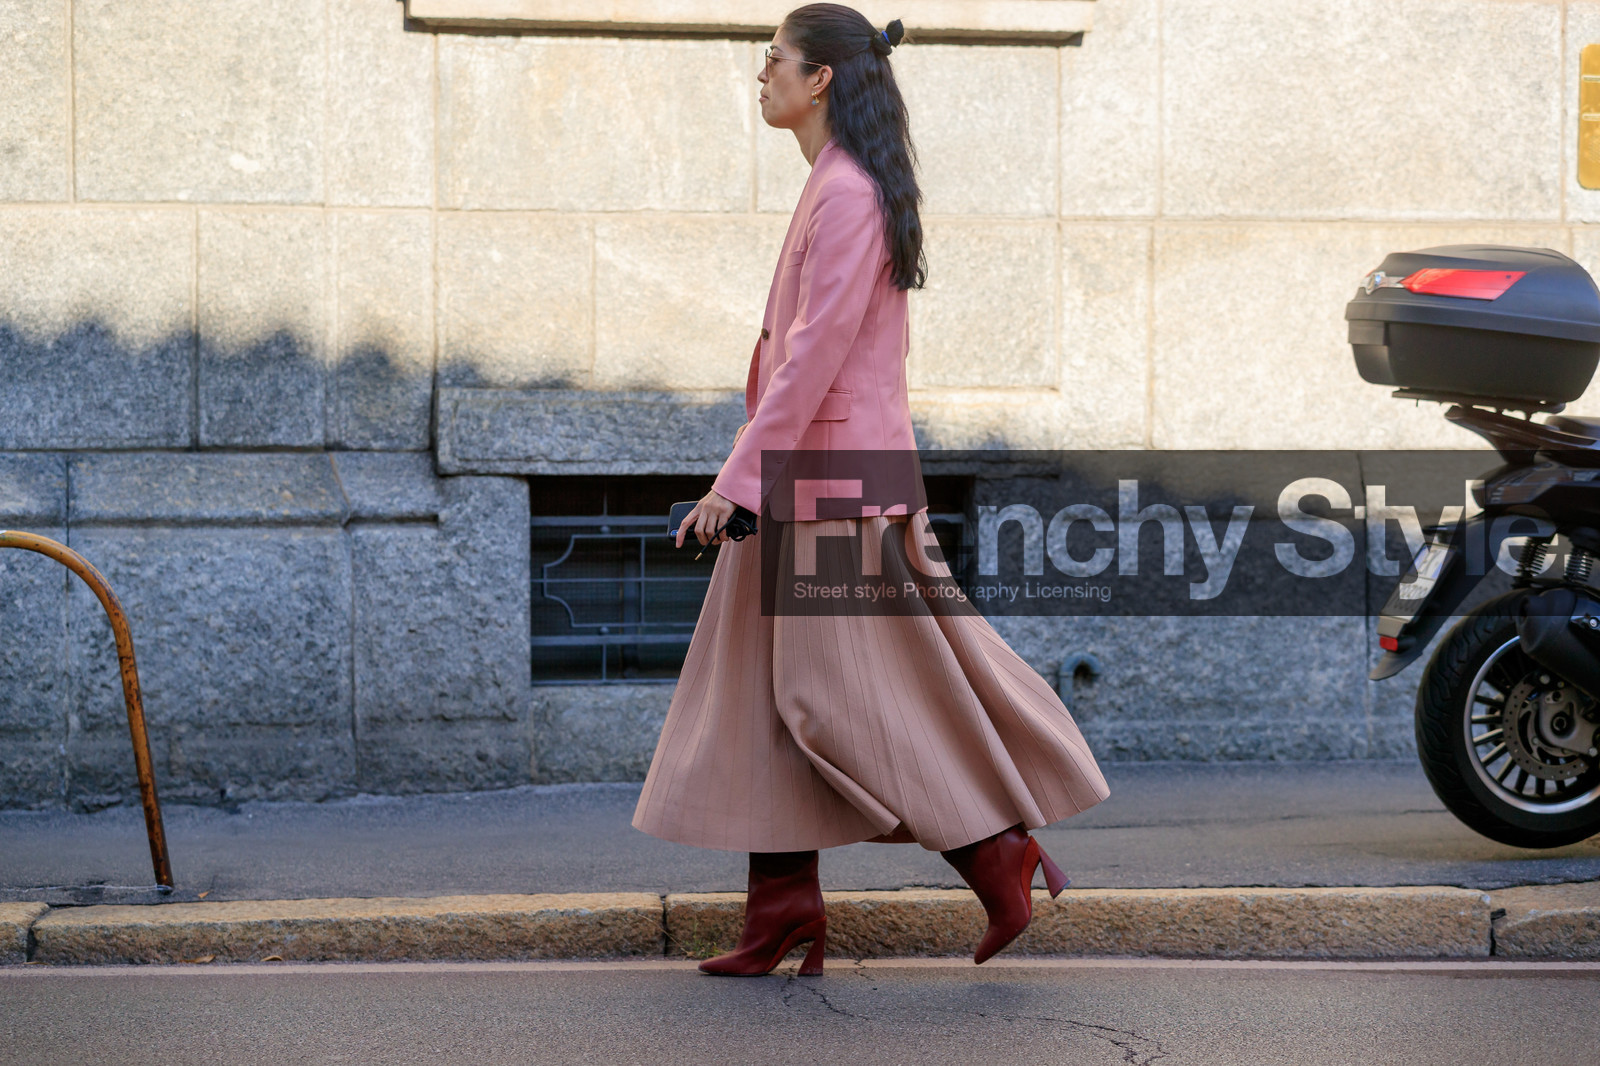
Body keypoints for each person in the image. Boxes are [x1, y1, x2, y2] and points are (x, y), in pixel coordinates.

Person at [632, 3, 1110, 976]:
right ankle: (781, 904)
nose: (759, 74)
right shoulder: (833, 183)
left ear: (821, 81)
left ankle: (993, 850)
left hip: (829, 483)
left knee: (832, 698)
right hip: (810, 478)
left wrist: (737, 480)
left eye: (773, 60)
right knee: (756, 701)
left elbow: (813, 359)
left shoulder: (845, 192)